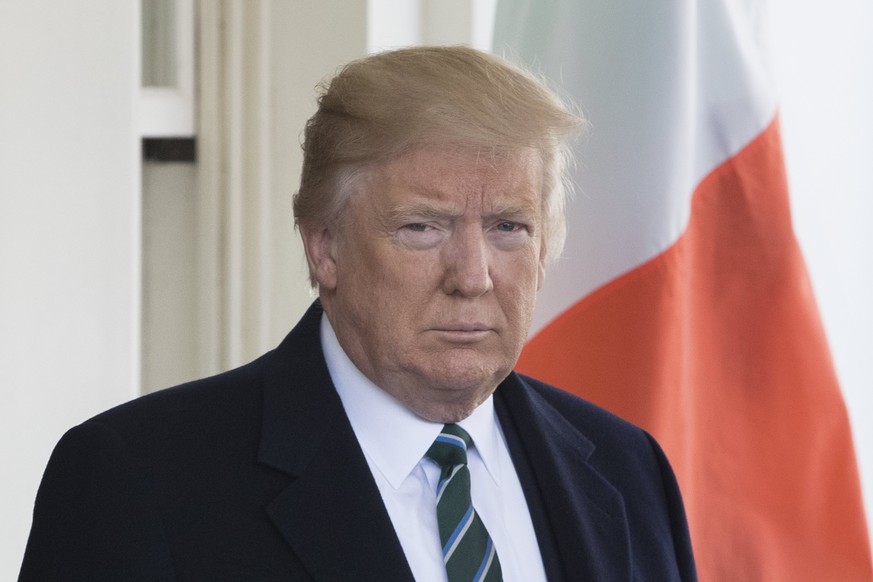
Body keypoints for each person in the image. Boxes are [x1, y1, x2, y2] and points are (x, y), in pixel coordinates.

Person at [19, 46, 697, 581]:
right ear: (325, 248)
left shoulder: (625, 468)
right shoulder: (138, 481)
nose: (471, 276)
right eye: (421, 228)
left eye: (508, 228)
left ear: (548, 247)